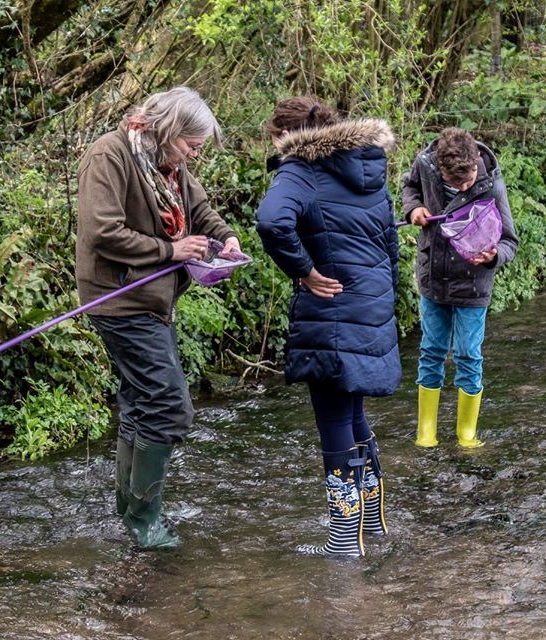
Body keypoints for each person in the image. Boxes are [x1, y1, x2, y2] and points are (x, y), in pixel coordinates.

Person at [75, 87, 240, 550]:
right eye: (192, 143)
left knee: (141, 402)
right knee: (169, 407)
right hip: (117, 298)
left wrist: (224, 238)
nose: (195, 152)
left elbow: (200, 210)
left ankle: (130, 511)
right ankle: (145, 523)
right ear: (167, 130)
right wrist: (170, 250)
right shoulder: (109, 155)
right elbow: (102, 230)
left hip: (153, 299)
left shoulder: (170, 165)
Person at [255, 97, 401, 557]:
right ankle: (372, 524)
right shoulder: (365, 164)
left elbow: (271, 221)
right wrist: (379, 298)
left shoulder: (299, 170)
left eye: (272, 138)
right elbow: (390, 243)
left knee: (335, 421)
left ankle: (343, 542)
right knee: (354, 415)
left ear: (284, 136)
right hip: (370, 307)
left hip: (332, 309)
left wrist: (302, 271)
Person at [401, 127, 518, 448]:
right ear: (441, 170)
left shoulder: (491, 183)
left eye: (468, 181)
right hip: (433, 278)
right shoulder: (424, 166)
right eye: (457, 184)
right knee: (431, 351)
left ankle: (466, 434)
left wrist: (494, 256)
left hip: (473, 285)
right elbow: (409, 187)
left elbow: (510, 241)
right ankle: (427, 431)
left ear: (476, 163)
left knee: (468, 354)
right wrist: (413, 209)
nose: (465, 186)